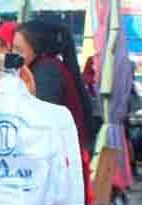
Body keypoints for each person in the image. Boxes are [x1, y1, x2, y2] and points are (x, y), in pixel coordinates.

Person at [12, 20, 94, 152]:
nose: (13, 53)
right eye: (13, 47)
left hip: (59, 154)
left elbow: (39, 117)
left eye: (18, 49)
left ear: (37, 49)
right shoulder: (45, 66)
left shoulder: (47, 70)